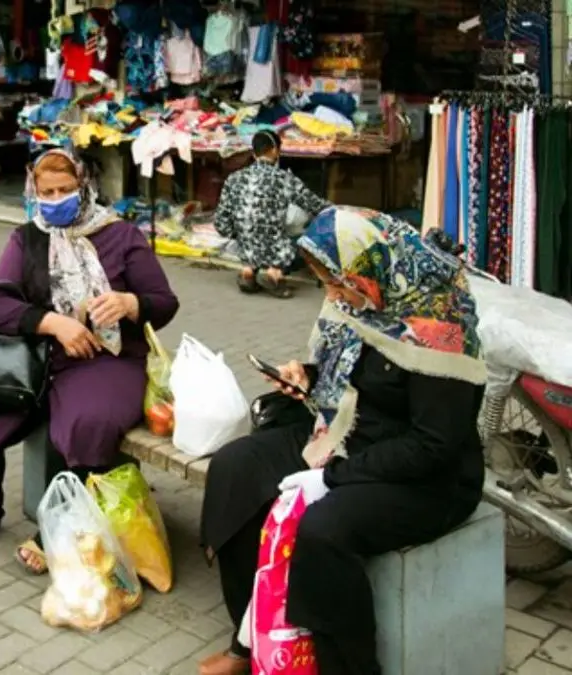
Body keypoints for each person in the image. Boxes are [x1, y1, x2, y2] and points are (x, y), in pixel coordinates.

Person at [197, 206, 487, 675]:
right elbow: (349, 380)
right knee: (236, 467)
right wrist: (308, 379)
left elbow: (434, 445)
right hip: (345, 434)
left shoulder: (440, 324)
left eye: (339, 282)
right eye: (327, 283)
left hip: (427, 475)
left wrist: (332, 476)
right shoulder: (360, 298)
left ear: (370, 266)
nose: (335, 295)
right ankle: (252, 638)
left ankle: (347, 666)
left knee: (324, 529)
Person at [0, 149, 179, 573]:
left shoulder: (121, 235)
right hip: (40, 355)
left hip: (106, 358)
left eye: (65, 190)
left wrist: (128, 302)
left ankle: (59, 527)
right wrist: (51, 323)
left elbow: (163, 303)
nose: (56, 199)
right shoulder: (28, 237)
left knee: (87, 424)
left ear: (84, 185)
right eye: (46, 192)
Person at [215, 130, 330, 298]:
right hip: (276, 246)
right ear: (275, 150)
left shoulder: (234, 178)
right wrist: (337, 208)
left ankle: (248, 272)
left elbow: (221, 221)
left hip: (246, 245)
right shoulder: (284, 179)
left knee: (251, 231)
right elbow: (313, 204)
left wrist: (238, 234)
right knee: (303, 232)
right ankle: (274, 273)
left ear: (253, 152)